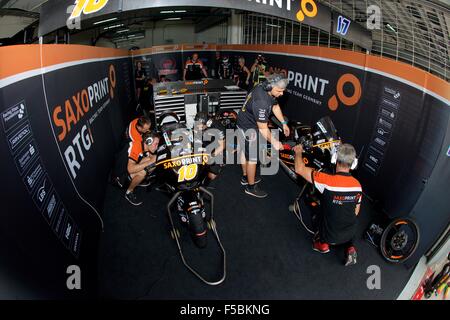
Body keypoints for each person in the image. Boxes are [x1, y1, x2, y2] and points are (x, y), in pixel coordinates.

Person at [293, 143, 362, 266]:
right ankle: (350, 248)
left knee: (310, 199)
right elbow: (356, 212)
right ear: (354, 164)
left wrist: (298, 152)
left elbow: (299, 169)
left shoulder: (326, 180)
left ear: (335, 158)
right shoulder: (357, 185)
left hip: (330, 236)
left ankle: (322, 244)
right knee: (347, 216)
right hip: (350, 233)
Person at [236, 73, 290, 198]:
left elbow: (275, 105)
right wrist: (275, 142)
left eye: (283, 91)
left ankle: (245, 176)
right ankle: (250, 187)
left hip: (244, 120)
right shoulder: (261, 101)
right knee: (252, 158)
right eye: (279, 90)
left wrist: (283, 123)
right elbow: (263, 129)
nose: (282, 94)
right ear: (271, 86)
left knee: (246, 152)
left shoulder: (264, 87)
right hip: (247, 126)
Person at [125, 132, 160, 206]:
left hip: (128, 169)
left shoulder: (145, 147)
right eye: (156, 144)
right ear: (148, 141)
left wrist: (152, 159)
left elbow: (152, 158)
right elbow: (130, 169)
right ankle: (129, 192)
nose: (157, 147)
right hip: (121, 175)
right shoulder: (136, 146)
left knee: (153, 162)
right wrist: (150, 161)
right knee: (144, 171)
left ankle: (138, 180)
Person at [193, 112, 226, 185]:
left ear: (207, 123)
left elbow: (223, 145)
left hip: (216, 149)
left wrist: (212, 155)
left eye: (201, 126)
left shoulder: (217, 126)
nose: (198, 127)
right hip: (204, 146)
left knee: (211, 176)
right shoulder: (197, 125)